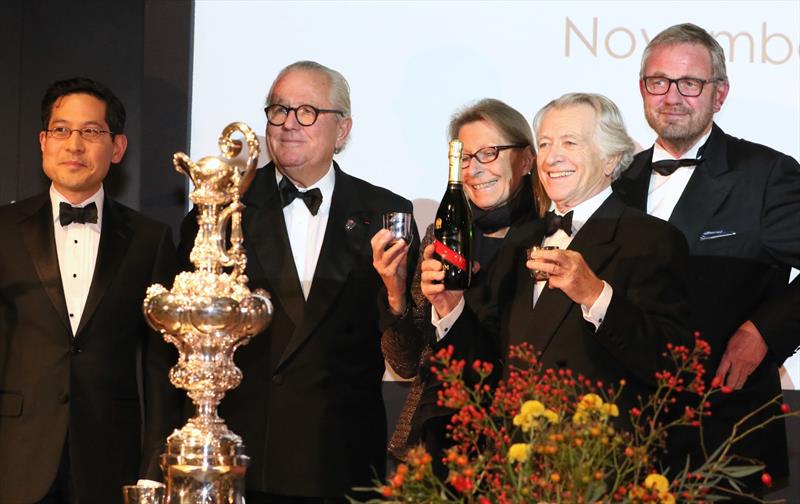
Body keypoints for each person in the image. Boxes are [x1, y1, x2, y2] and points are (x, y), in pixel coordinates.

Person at [177, 61, 418, 503]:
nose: (289, 124)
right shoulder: (221, 211)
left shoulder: (385, 214)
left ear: (341, 130)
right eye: (278, 110)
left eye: (307, 111)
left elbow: (407, 357)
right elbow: (181, 341)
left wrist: (397, 296)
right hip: (245, 455)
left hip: (341, 459)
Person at [420, 93, 692, 426]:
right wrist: (450, 308)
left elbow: (670, 366)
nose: (552, 159)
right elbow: (485, 367)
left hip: (597, 459)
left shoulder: (651, 240)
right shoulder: (519, 241)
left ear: (612, 159)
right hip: (516, 461)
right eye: (545, 144)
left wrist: (597, 296)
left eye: (570, 143)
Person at [613, 23, 800, 487]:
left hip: (724, 438)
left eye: (690, 84)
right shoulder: (615, 180)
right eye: (658, 82)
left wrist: (764, 331)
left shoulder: (766, 175)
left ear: (719, 95)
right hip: (622, 442)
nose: (672, 96)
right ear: (642, 90)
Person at [0, 77, 179, 503]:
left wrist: (153, 471)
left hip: (110, 461)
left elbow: (161, 364)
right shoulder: (3, 231)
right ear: (43, 142)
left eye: (91, 132)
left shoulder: (150, 240)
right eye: (61, 130)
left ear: (117, 148)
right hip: (14, 458)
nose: (74, 145)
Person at [371, 98, 546, 470]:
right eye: (465, 158)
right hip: (435, 445)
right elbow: (404, 364)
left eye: (489, 153)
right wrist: (396, 292)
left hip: (517, 449)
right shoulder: (443, 237)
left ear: (527, 159)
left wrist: (454, 310)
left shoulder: (552, 238)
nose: (474, 169)